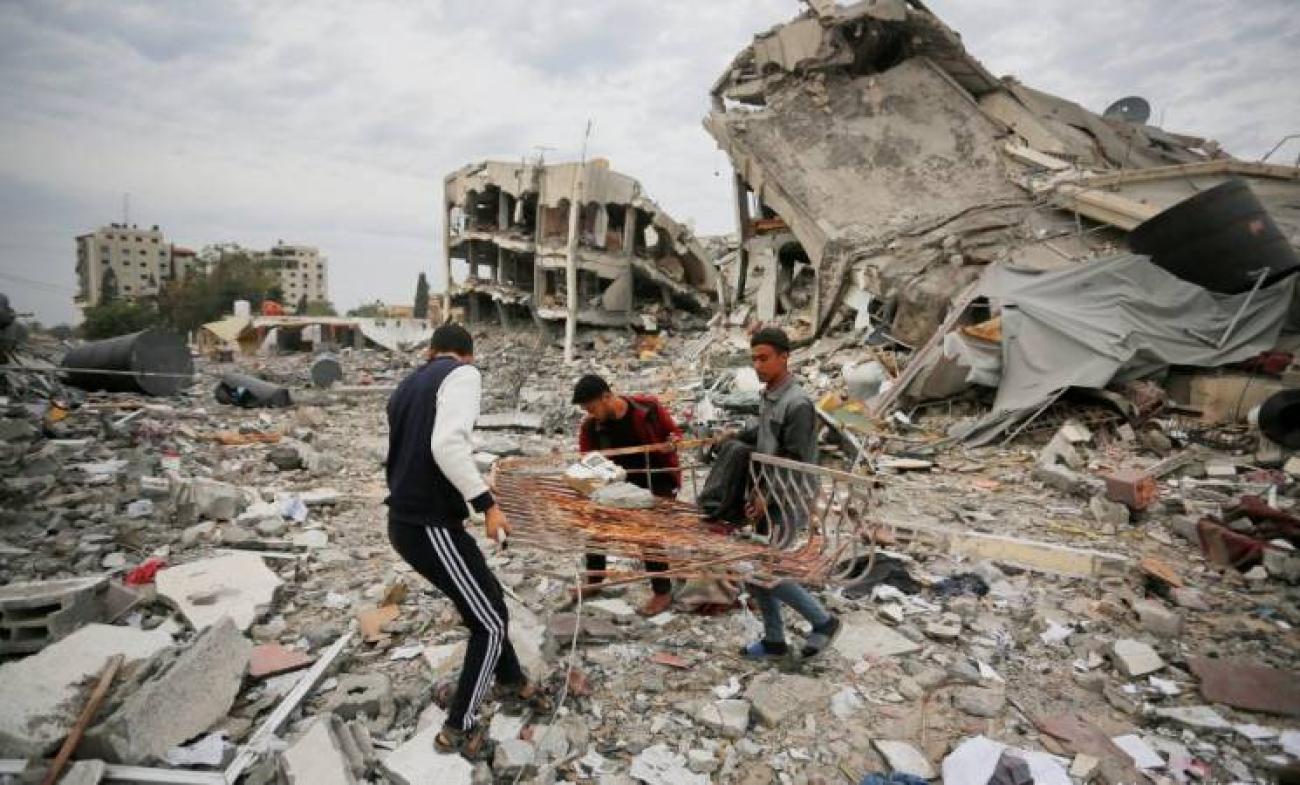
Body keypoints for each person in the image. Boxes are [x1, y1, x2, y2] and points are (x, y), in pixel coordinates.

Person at [385, 324, 550, 761]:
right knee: (491, 622)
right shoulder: (462, 374)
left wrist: (474, 482)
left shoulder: (407, 385)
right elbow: (446, 445)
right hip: (429, 525)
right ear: (467, 355)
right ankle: (458, 728)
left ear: (430, 351)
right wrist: (487, 503)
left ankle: (511, 680)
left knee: (489, 599)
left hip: (408, 522)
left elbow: (421, 448)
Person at [735, 327, 842, 660]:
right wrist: (735, 436)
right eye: (754, 359)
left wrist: (768, 494)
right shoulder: (770, 394)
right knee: (757, 567)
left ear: (785, 357)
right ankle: (774, 640)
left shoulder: (798, 404)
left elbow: (794, 460)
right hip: (768, 488)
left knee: (768, 570)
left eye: (764, 358)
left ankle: (822, 621)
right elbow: (766, 435)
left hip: (790, 493)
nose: (758, 365)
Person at [572, 374, 683, 617]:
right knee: (593, 520)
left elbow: (674, 434)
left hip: (656, 479)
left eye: (591, 408)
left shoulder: (647, 408)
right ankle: (595, 578)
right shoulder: (591, 426)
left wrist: (672, 443)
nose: (590, 414)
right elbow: (587, 460)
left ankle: (662, 591)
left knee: (646, 532)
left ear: (605, 396)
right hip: (619, 483)